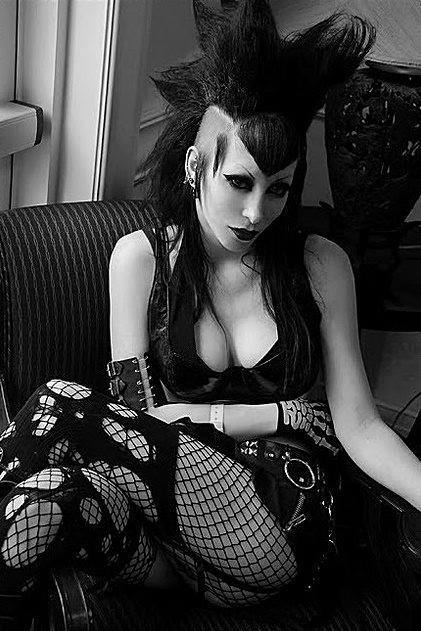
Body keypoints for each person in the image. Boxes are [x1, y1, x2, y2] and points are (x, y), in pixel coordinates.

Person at [1, 0, 421, 624]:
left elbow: (357, 427)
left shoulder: (320, 264)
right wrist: (278, 413)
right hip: (174, 541)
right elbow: (141, 421)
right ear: (197, 168)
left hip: (279, 519)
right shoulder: (140, 260)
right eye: (240, 182)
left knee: (60, 404)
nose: (257, 213)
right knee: (41, 502)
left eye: (278, 188)